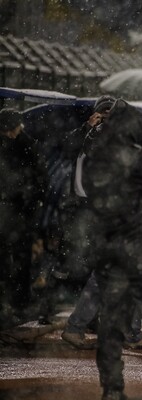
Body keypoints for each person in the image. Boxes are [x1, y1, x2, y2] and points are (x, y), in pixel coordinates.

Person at [79, 98, 142, 400]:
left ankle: (112, 388)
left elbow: (90, 189)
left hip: (112, 250)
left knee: (111, 323)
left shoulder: (98, 157)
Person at [0, 108, 48, 330]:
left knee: (20, 258)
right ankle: (13, 301)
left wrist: (29, 198)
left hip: (19, 210)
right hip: (13, 208)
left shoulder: (28, 146)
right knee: (13, 257)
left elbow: (39, 178)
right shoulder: (22, 145)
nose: (9, 133)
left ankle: (17, 301)